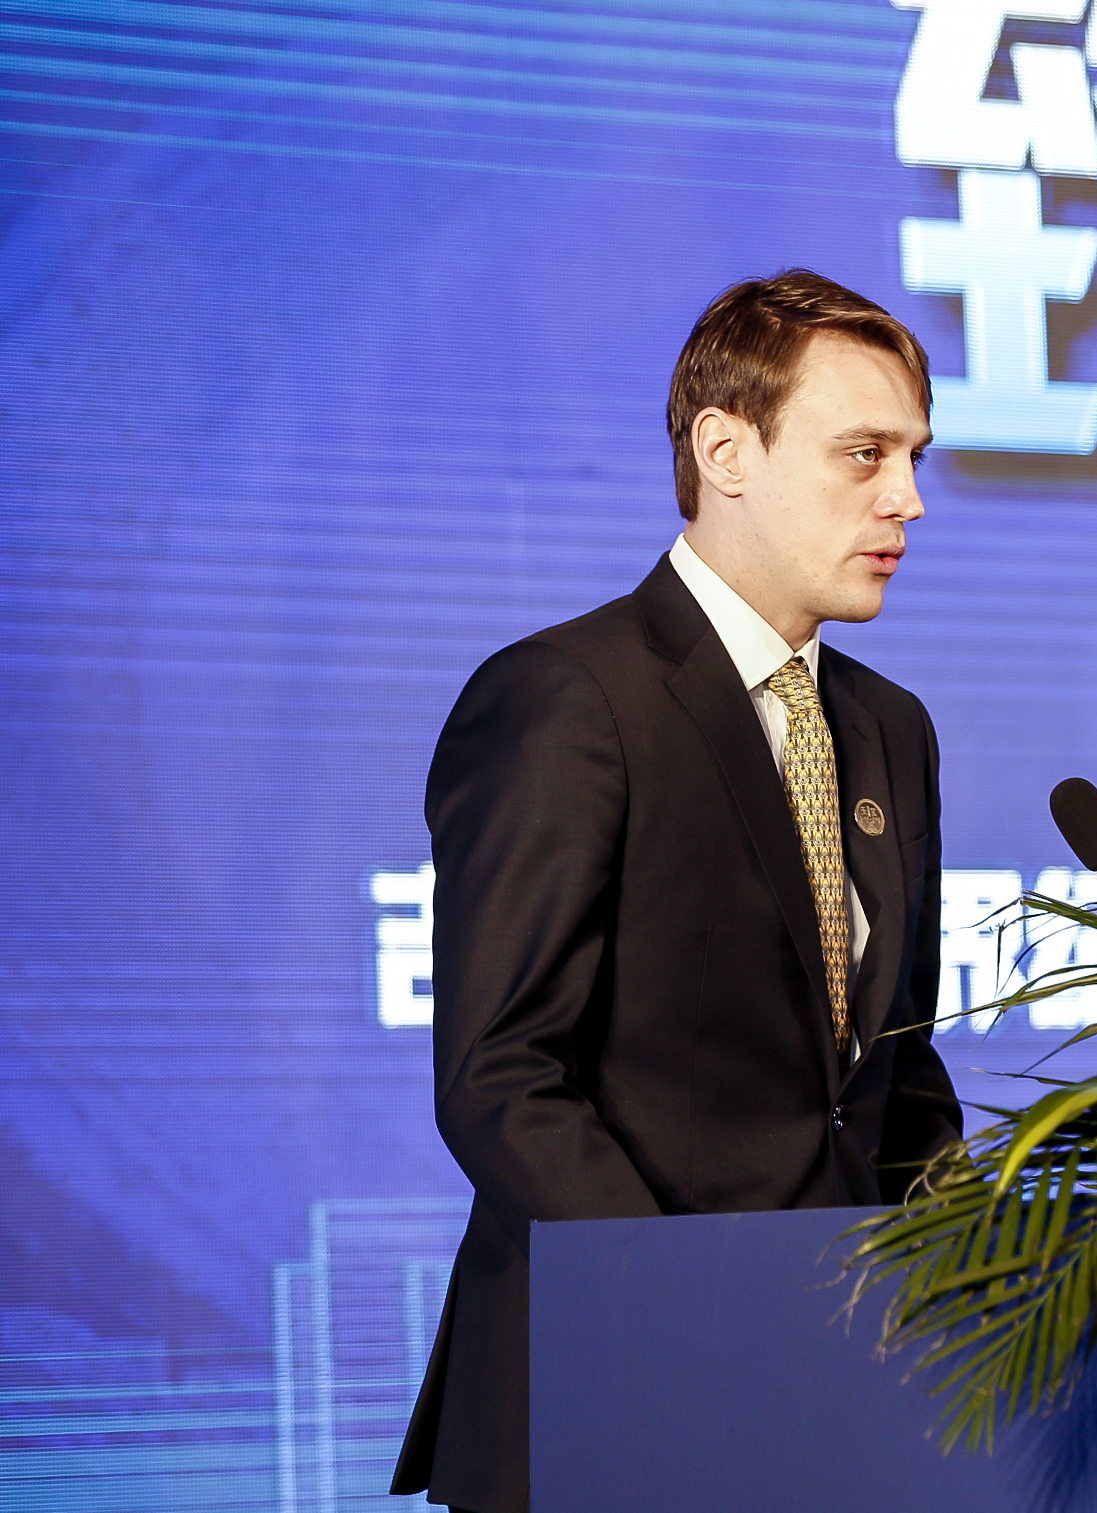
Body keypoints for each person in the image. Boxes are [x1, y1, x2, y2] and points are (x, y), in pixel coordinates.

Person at [390, 269, 963, 1513]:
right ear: (725, 450)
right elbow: (501, 1076)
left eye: (913, 458)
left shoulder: (890, 728)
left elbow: (895, 1076)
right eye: (863, 453)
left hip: (834, 1408)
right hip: (611, 1396)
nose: (906, 499)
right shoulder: (567, 697)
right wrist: (688, 1309)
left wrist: (986, 1282)